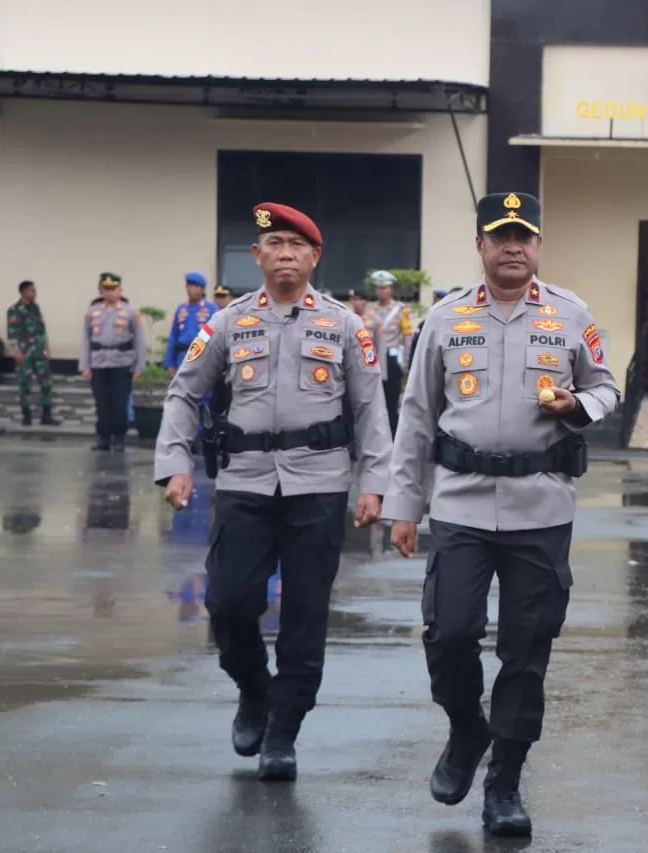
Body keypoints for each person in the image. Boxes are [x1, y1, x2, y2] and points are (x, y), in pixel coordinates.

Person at [385, 191, 620, 837]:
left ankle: (505, 783)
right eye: (500, 236)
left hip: (541, 504)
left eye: (523, 236)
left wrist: (577, 405)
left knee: (526, 648)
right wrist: (404, 505)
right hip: (460, 501)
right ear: (480, 246)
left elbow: (606, 386)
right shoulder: (446, 317)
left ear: (538, 244)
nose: (512, 246)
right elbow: (417, 414)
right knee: (450, 632)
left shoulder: (570, 314)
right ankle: (467, 727)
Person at [153, 202, 391, 782]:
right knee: (229, 603)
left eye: (297, 245)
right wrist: (175, 464)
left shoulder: (345, 325)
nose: (286, 254)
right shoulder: (228, 322)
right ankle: (254, 690)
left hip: (319, 485)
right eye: (275, 244)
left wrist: (375, 483)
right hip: (245, 482)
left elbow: (370, 408)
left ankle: (284, 730)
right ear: (257, 256)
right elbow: (184, 393)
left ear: (315, 256)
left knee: (305, 615)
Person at [80, 273, 146, 451]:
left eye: (113, 289)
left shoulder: (130, 312)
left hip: (122, 362)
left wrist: (140, 365)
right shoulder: (92, 312)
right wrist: (84, 365)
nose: (110, 293)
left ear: (120, 290)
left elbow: (139, 339)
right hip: (98, 362)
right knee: (102, 402)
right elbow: (86, 339)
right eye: (106, 289)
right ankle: (103, 437)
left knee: (119, 402)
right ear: (101, 291)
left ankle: (119, 438)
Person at [6, 280, 60, 426]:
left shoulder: (35, 308)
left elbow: (42, 329)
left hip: (39, 352)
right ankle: (26, 416)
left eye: (35, 291)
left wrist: (47, 347)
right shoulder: (14, 310)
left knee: (47, 384)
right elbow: (11, 333)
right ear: (24, 292)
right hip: (24, 353)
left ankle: (46, 416)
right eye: (32, 291)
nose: (35, 293)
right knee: (25, 385)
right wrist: (16, 351)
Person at [368, 270, 413, 439]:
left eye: (385, 287)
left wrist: (407, 362)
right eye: (378, 287)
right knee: (373, 401)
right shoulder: (369, 309)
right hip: (373, 358)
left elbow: (407, 337)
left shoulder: (401, 309)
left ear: (391, 289)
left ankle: (393, 438)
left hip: (392, 358)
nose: (381, 291)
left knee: (392, 401)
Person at [163, 273, 217, 376]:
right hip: (182, 355)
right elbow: (174, 335)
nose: (192, 290)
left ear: (202, 289)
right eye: (189, 286)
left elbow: (216, 335)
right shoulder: (181, 309)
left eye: (196, 287)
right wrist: (169, 362)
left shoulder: (212, 309)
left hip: (203, 356)